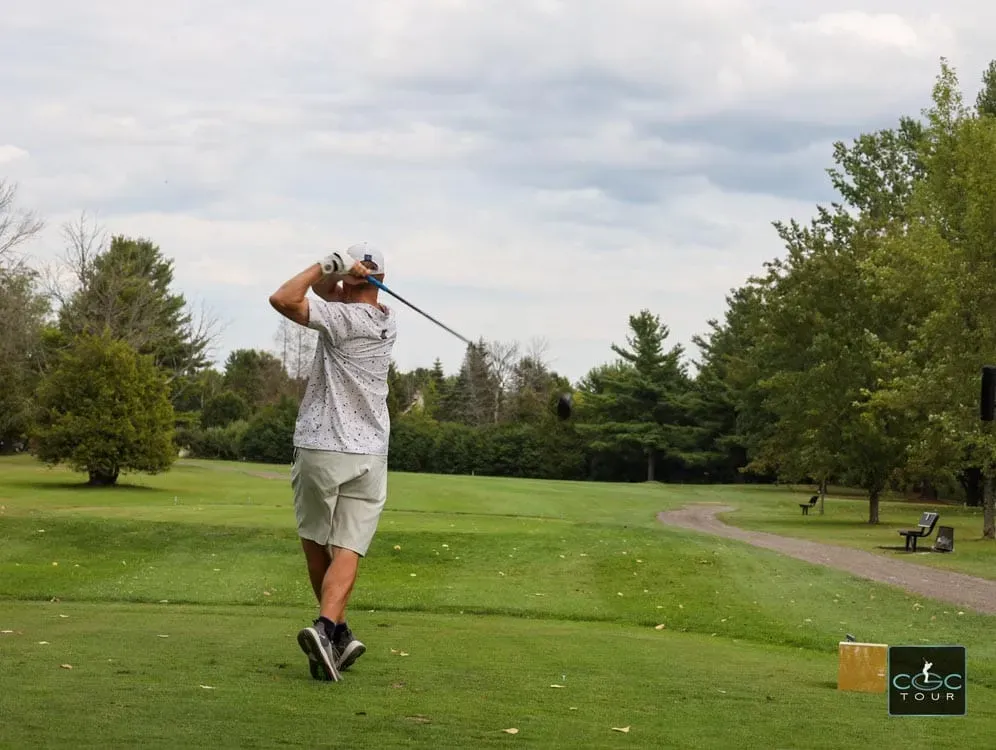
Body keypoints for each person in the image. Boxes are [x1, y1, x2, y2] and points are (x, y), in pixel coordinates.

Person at [268, 242, 397, 682]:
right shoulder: (386, 319)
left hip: (322, 447)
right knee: (348, 547)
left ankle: (327, 630)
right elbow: (330, 293)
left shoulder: (342, 319)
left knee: (313, 541)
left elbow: (283, 298)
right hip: (371, 454)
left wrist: (330, 264)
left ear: (355, 278)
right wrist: (344, 276)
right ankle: (335, 631)